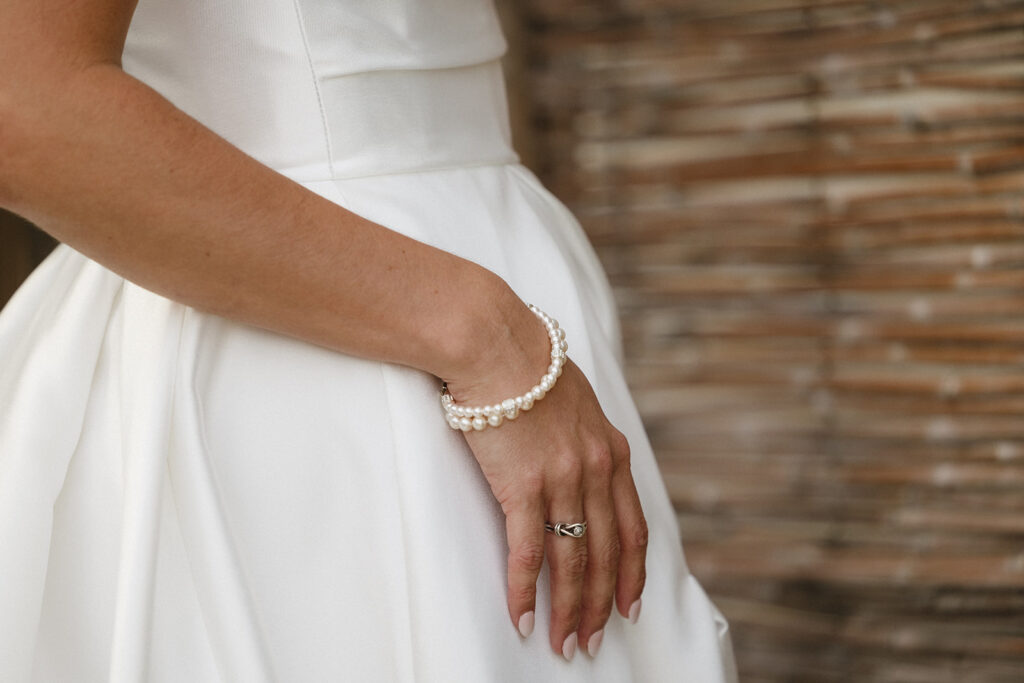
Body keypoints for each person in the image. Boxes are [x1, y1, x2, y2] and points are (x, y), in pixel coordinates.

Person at [0, 0, 738, 680]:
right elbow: (25, 105)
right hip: (318, 362)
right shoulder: (476, 332)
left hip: (498, 271)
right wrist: (485, 339)